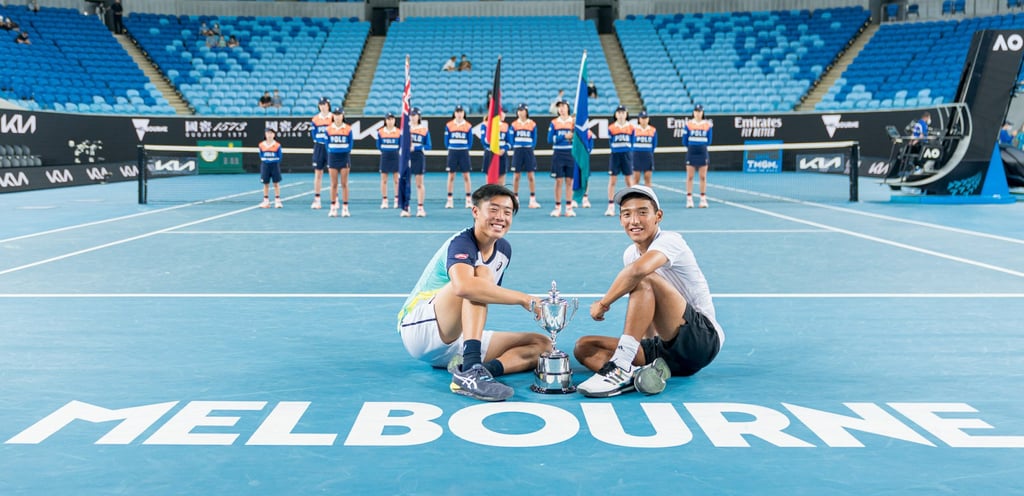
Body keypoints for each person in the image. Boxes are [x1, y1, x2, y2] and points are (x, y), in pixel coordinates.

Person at [397, 184, 549, 402]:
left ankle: (477, 372)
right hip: (421, 327)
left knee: (541, 345)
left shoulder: (504, 251)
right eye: (494, 210)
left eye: (507, 212)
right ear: (475, 212)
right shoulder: (462, 242)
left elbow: (486, 295)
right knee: (478, 279)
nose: (501, 217)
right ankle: (471, 367)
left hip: (455, 343)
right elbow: (464, 288)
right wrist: (524, 299)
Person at [574, 185, 723, 398]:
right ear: (620, 220)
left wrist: (604, 303)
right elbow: (647, 310)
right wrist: (644, 349)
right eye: (627, 214)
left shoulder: (671, 240)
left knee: (642, 276)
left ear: (658, 216)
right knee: (584, 347)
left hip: (701, 339)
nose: (634, 221)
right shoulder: (630, 254)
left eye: (642, 212)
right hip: (663, 350)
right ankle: (638, 376)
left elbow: (639, 271)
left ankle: (622, 365)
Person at [605, 104, 636, 216]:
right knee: (613, 180)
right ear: (616, 115)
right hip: (615, 156)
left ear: (626, 114)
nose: (621, 115)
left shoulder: (631, 127)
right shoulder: (611, 127)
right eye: (619, 113)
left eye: (623, 112)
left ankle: (632, 204)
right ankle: (610, 205)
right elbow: (610, 142)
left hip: (627, 155)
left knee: (629, 180)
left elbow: (632, 142)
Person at [547, 99, 576, 217]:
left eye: (564, 106)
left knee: (569, 181)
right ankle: (557, 206)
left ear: (568, 108)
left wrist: (572, 137)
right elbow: (550, 139)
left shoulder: (574, 122)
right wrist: (564, 136)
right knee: (559, 181)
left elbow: (579, 140)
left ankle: (569, 207)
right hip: (558, 153)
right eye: (559, 107)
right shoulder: (554, 122)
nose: (562, 109)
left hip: (570, 153)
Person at [510, 103, 541, 209]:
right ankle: (515, 198)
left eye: (522, 110)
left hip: (528, 151)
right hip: (518, 151)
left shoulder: (532, 124)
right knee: (516, 176)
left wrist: (530, 147)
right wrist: (515, 146)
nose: (520, 112)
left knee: (531, 176)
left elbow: (535, 138)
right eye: (519, 110)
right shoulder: (514, 124)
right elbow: (511, 138)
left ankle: (532, 199)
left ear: (526, 111)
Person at [682, 104, 712, 208]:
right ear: (693, 112)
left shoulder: (707, 125)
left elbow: (709, 140)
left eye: (699, 111)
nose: (698, 113)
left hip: (702, 152)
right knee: (690, 176)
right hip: (691, 152)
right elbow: (684, 140)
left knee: (703, 177)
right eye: (696, 111)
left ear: (702, 112)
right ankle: (689, 199)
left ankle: (703, 199)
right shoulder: (689, 124)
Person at [444, 105, 474, 209]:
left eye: (461, 112)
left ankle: (468, 199)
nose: (459, 114)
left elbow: (470, 142)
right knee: (451, 176)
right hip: (453, 152)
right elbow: (446, 141)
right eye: (457, 112)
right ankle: (449, 199)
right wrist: (452, 148)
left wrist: (464, 148)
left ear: (463, 113)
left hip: (464, 152)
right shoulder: (449, 125)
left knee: (466, 176)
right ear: (455, 113)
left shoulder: (468, 126)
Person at [325, 107, 352, 218]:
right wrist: (332, 150)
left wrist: (343, 149)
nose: (337, 117)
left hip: (344, 157)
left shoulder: (348, 129)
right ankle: (333, 207)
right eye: (335, 115)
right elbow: (327, 144)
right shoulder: (328, 129)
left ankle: (345, 208)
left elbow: (350, 144)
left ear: (343, 116)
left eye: (339, 114)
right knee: (333, 184)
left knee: (344, 184)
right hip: (333, 157)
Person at [309, 97, 333, 209]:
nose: (323, 106)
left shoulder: (333, 117)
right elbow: (314, 135)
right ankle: (317, 199)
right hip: (319, 147)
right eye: (321, 104)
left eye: (325, 104)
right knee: (318, 174)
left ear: (328, 105)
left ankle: (335, 199)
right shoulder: (315, 119)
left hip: (331, 148)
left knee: (333, 174)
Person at [376, 112, 402, 211]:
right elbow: (378, 145)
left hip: (395, 156)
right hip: (385, 156)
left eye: (391, 119)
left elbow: (400, 144)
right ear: (385, 121)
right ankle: (384, 200)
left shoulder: (399, 132)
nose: (390, 121)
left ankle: (396, 199)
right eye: (388, 119)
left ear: (394, 120)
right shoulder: (380, 132)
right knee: (384, 180)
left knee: (396, 180)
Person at [409, 107, 431, 217]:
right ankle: (405, 207)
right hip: (407, 157)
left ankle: (420, 207)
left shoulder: (423, 130)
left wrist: (417, 147)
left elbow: (428, 146)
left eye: (415, 115)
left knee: (419, 183)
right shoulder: (406, 129)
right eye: (411, 115)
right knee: (406, 182)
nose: (413, 117)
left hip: (418, 157)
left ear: (419, 116)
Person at [480, 107, 511, 186]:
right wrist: (494, 149)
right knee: (490, 182)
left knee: (501, 182)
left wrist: (503, 149)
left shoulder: (505, 126)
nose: (504, 115)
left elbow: (510, 142)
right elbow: (484, 141)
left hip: (502, 155)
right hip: (490, 154)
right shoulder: (486, 125)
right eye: (503, 112)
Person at [258, 127, 283, 209]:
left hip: (274, 166)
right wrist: (266, 160)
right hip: (265, 166)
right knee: (266, 184)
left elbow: (279, 157)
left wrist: (272, 159)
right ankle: (266, 201)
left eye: (271, 133)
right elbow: (261, 155)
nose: (269, 135)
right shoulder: (261, 145)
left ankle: (277, 200)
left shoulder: (277, 145)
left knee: (276, 183)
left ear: (274, 135)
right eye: (268, 133)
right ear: (265, 134)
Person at [632, 111, 657, 187]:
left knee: (648, 178)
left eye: (645, 118)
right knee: (636, 178)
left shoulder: (653, 130)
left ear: (648, 119)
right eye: (642, 118)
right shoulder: (634, 130)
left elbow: (654, 144)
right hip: (636, 156)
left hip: (648, 156)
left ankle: (648, 197)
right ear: (639, 119)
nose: (644, 120)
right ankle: (633, 196)